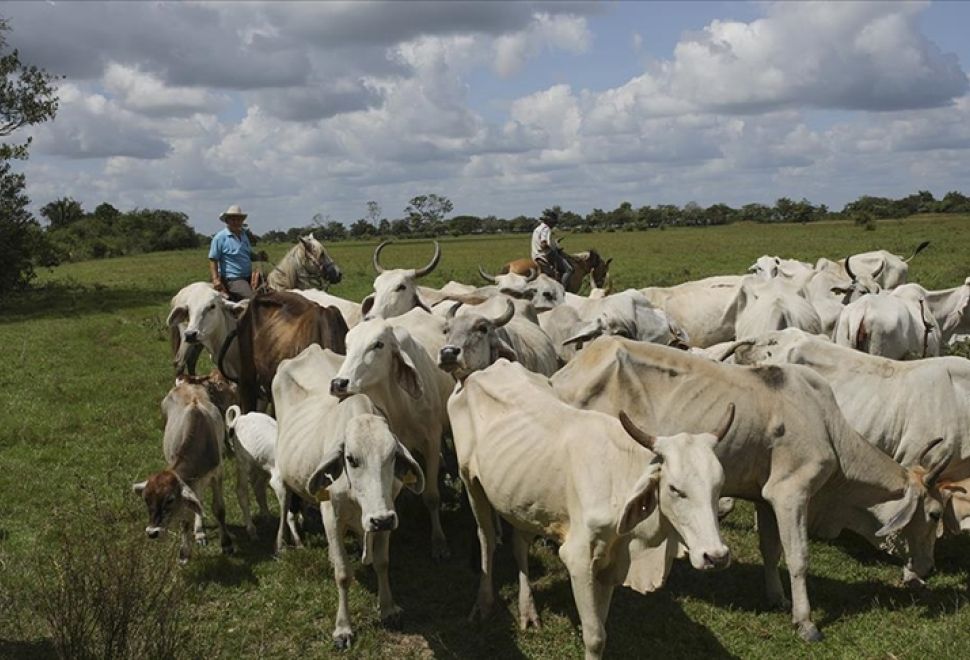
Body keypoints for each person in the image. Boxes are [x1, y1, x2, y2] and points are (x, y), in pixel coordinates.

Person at [208, 204, 264, 300]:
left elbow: (249, 255)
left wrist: (259, 256)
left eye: (238, 220)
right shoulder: (220, 237)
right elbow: (213, 259)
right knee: (252, 299)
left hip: (248, 275)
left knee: (270, 291)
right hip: (233, 279)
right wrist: (215, 279)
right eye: (233, 219)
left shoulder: (244, 236)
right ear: (227, 221)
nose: (236, 222)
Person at [531, 214, 573, 287]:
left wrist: (554, 242)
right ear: (549, 222)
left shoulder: (537, 229)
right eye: (554, 223)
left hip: (535, 255)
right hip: (545, 255)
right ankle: (562, 289)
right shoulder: (546, 229)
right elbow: (543, 244)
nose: (554, 225)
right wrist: (554, 249)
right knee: (569, 270)